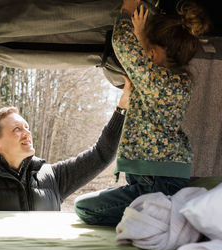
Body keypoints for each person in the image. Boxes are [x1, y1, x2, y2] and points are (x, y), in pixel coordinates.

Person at [0, 21, 131, 211]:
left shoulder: (54, 176)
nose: (27, 133)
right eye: (17, 129)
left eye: (26, 127)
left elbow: (102, 154)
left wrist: (122, 108)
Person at [75, 0, 210, 226]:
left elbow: (123, 45)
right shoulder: (175, 81)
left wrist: (128, 11)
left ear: (156, 51)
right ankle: (158, 211)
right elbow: (144, 60)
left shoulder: (157, 81)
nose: (144, 54)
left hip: (156, 182)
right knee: (94, 203)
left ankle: (163, 214)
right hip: (157, 179)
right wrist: (143, 37)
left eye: (148, 51)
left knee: (84, 208)